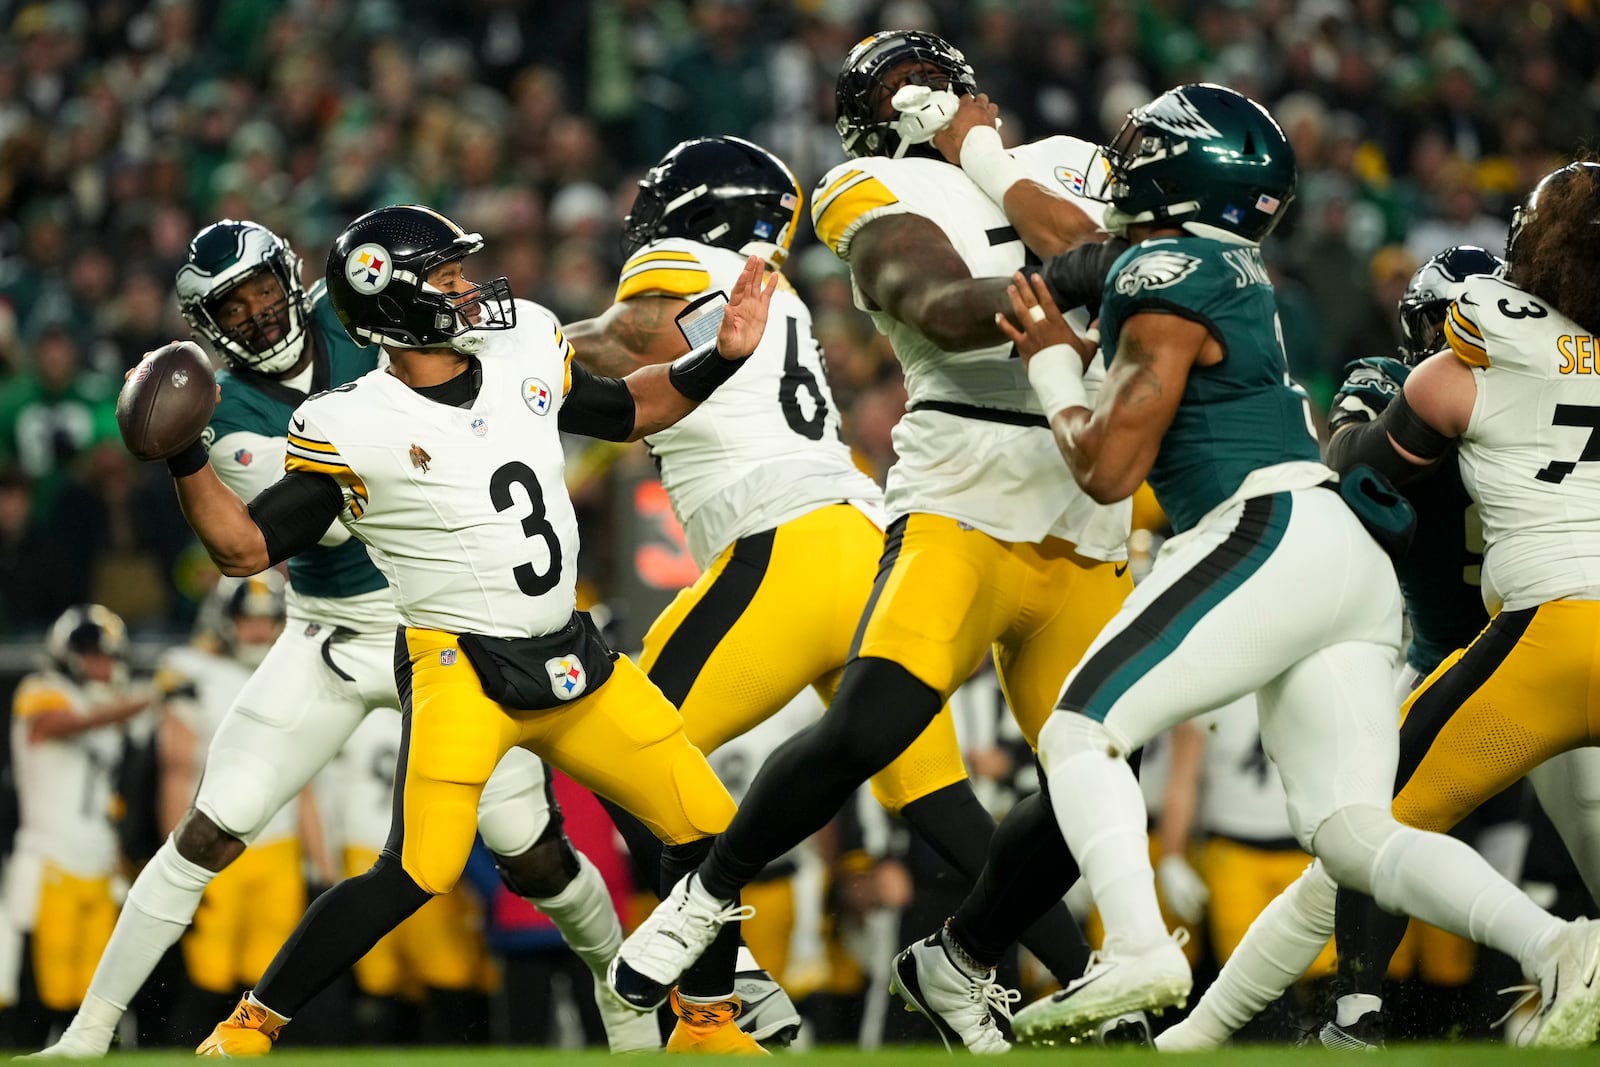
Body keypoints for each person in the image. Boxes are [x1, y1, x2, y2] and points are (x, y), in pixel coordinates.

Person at [909, 84, 1600, 1049]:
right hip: (1343, 565)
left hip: (1262, 525)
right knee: (1355, 836)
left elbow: (1109, 471)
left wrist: (1053, 362)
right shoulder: (1207, 260)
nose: (1126, 158)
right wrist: (979, 153)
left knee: (1079, 732)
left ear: (1180, 165)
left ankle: (1140, 946)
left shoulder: (1165, 268)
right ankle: (1559, 943)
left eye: (1148, 143)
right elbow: (1073, 240)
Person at [608, 31, 1134, 1054]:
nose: (919, 99)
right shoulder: (849, 206)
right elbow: (952, 300)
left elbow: (614, 349)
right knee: (933, 793)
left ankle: (725, 988)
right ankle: (1075, 980)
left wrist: (502, 369)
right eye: (893, 89)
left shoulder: (693, 268)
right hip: (905, 513)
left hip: (814, 538)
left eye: (929, 79)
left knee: (630, 748)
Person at [157, 203, 778, 1056]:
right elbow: (245, 547)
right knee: (417, 870)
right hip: (459, 668)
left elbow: (628, 409)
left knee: (707, 823)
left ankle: (705, 1023)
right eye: (445, 277)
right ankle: (246, 1030)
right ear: (396, 299)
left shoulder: (524, 342)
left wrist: (720, 359)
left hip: (570, 649)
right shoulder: (350, 423)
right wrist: (188, 457)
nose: (467, 287)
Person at [35, 219, 657, 1057]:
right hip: (337, 632)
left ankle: (621, 992)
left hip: (449, 630)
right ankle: (89, 1032)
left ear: (292, 279)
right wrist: (182, 453)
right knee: (214, 825)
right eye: (236, 305)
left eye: (263, 291)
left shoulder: (360, 308)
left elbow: (482, 348)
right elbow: (273, 540)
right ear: (209, 322)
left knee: (534, 854)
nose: (258, 315)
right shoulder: (228, 417)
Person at [1160, 163, 1600, 1051]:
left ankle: (1332, 1020)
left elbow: (1368, 475)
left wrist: (1361, 420)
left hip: (1539, 640)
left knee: (1363, 830)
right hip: (1515, 639)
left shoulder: (1481, 344)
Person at [151, 573, 325, 1038]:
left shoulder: (296, 674)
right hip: (216, 840)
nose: (257, 631)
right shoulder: (193, 671)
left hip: (279, 843)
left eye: (267, 621)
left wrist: (321, 865)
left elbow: (304, 781)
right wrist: (176, 858)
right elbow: (175, 772)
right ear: (226, 620)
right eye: (248, 620)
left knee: (269, 983)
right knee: (209, 975)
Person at [3, 606, 151, 1047]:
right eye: (90, 654)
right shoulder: (41, 690)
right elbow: (53, 725)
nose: (100, 666)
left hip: (99, 860)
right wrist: (139, 704)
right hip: (49, 858)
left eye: (106, 656)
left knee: (97, 993)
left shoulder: (113, 710)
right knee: (43, 990)